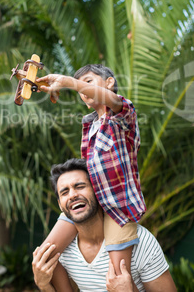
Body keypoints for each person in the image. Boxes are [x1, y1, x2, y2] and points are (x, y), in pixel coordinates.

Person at [37, 64, 146, 289]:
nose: (83, 91)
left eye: (88, 82)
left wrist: (68, 82)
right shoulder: (89, 127)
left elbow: (114, 101)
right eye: (80, 89)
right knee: (44, 256)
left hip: (118, 210)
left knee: (118, 279)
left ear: (109, 83)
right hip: (92, 203)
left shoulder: (123, 117)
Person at [32, 159, 177, 292]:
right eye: (64, 192)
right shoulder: (62, 252)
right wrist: (44, 285)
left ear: (98, 192)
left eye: (80, 186)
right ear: (60, 204)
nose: (72, 195)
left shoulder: (141, 242)